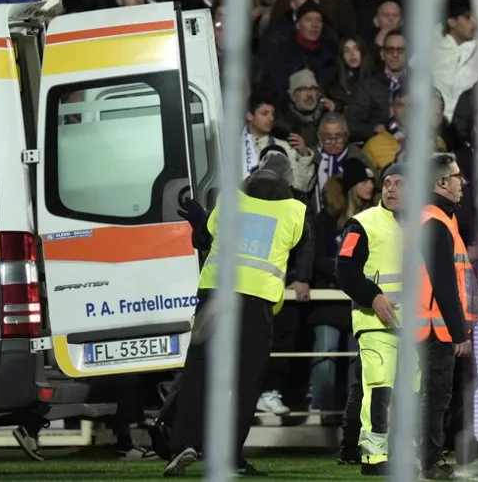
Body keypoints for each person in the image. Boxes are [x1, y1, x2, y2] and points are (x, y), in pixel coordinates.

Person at [162, 155, 310, 478]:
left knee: (199, 371)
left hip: (216, 295)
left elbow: (203, 239)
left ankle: (184, 443)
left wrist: (201, 221)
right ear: (287, 181)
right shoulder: (295, 210)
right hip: (257, 303)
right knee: (246, 382)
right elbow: (301, 246)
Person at [335, 163, 406, 476]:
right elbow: (344, 269)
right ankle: (374, 457)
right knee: (380, 388)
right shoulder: (362, 224)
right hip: (375, 322)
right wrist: (373, 297)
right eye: (387, 183)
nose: (391, 189)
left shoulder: (426, 222)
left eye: (400, 184)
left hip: (417, 325)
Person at [416, 152, 478, 480]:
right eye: (457, 177)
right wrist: (458, 332)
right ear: (441, 182)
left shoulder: (440, 218)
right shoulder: (435, 221)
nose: (462, 182)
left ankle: (433, 456)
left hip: (434, 326)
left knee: (442, 394)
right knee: (437, 397)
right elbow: (443, 283)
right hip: (434, 328)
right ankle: (431, 462)